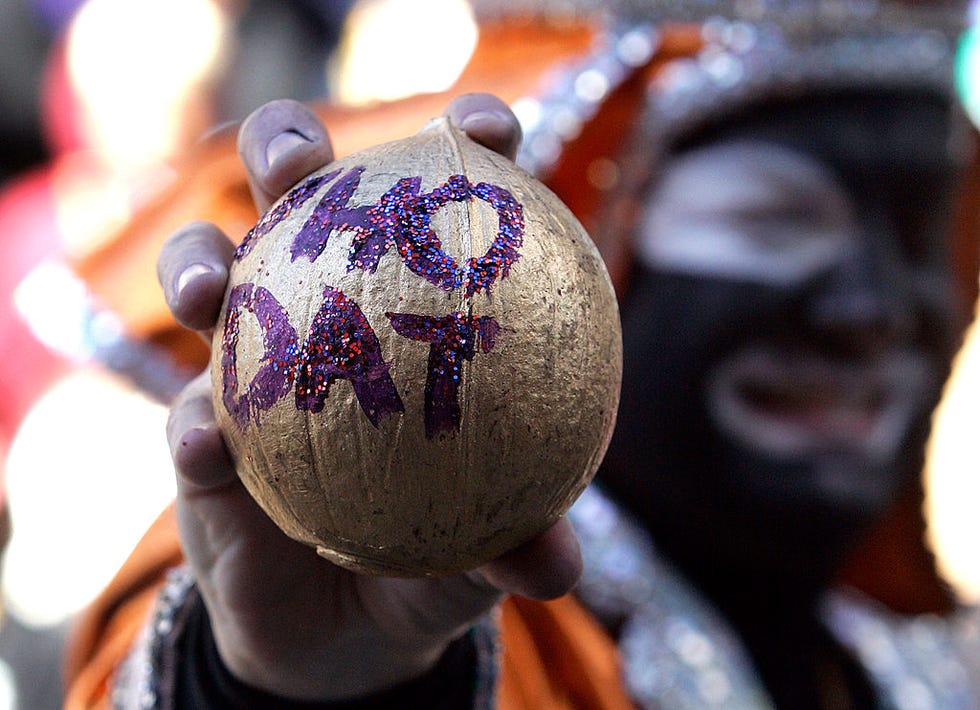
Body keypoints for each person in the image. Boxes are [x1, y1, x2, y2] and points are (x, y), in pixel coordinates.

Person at [62, 1, 980, 708]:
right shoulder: (409, 613)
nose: (874, 310)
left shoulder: (914, 660)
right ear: (583, 239)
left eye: (922, 226)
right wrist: (287, 690)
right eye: (772, 220)